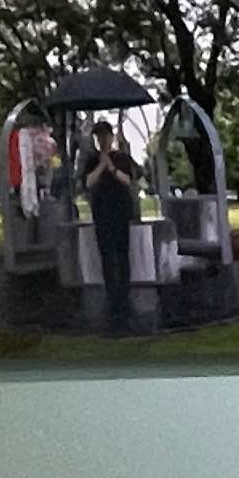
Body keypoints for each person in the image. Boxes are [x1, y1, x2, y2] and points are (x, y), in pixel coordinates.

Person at [82, 116, 141, 328]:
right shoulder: (91, 160)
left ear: (111, 136)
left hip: (120, 212)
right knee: (106, 254)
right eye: (99, 137)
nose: (102, 140)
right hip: (101, 213)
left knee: (122, 252)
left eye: (105, 136)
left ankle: (124, 291)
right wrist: (101, 165)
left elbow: (128, 179)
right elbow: (88, 182)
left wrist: (112, 168)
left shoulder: (122, 158)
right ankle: (111, 292)